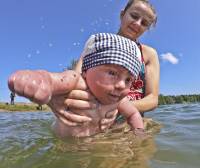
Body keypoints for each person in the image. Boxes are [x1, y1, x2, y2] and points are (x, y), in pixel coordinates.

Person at [48, 0, 160, 130]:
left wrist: (117, 106)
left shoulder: (149, 54)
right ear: (122, 14)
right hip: (95, 119)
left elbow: (152, 99)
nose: (137, 23)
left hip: (130, 122)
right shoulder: (97, 44)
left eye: (145, 23)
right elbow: (76, 78)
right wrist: (56, 96)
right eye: (134, 16)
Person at [8, 33, 144, 137]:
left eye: (128, 80)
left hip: (95, 145)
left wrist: (139, 133)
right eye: (112, 73)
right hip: (63, 148)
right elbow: (52, 79)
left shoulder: (117, 100)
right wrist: (37, 80)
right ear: (86, 70)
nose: (121, 85)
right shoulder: (75, 81)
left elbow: (133, 114)